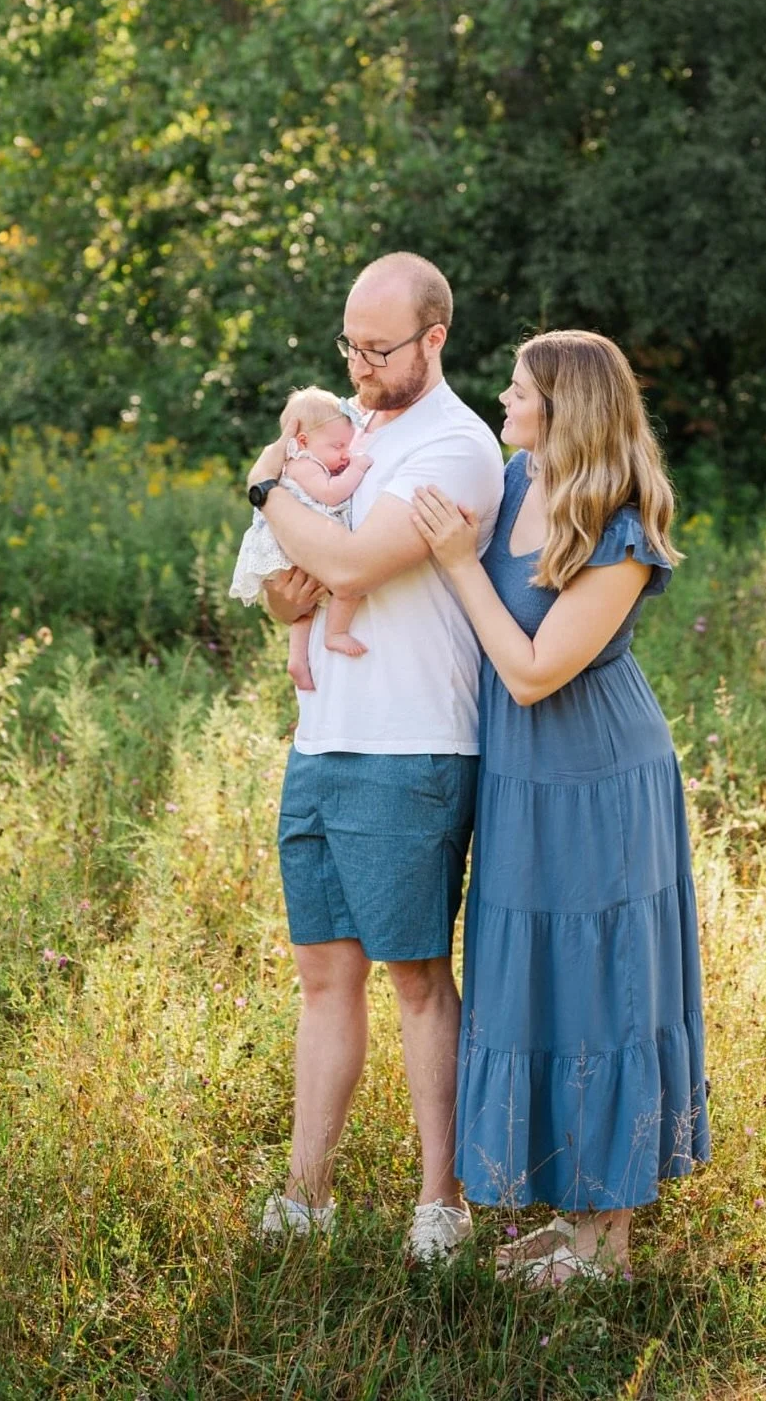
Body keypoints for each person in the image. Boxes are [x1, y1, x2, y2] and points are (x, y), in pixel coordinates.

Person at [409, 329, 710, 1285]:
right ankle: (573, 1215)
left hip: (595, 780)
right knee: (531, 977)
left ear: (564, 406)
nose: (502, 399)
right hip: (520, 779)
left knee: (602, 987)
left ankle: (606, 1246)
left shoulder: (619, 527)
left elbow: (536, 672)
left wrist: (460, 564)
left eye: (519, 389)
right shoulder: (512, 479)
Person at [245, 252, 506, 1262]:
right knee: (322, 976)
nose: (358, 366)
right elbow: (289, 589)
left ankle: (442, 1204)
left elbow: (347, 559)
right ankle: (308, 1196)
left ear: (434, 339)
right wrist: (285, 587)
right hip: (324, 740)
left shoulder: (457, 445)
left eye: (379, 348)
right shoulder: (350, 434)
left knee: (414, 979)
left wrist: (265, 486)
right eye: (349, 345)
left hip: (412, 747)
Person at [228, 387, 373, 690]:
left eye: (347, 446)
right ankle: (335, 633)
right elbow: (331, 495)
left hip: (292, 542)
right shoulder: (303, 464)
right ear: (303, 441)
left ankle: (297, 659)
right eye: (337, 446)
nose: (345, 454)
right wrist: (357, 467)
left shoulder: (308, 460)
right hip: (295, 543)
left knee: (305, 605)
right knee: (347, 586)